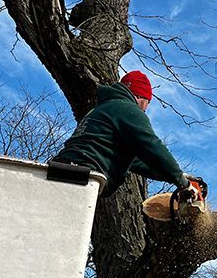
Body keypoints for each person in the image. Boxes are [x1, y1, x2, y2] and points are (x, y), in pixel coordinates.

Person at [50, 70, 198, 199]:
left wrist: (175, 176)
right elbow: (152, 146)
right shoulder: (128, 109)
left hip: (61, 170)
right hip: (84, 175)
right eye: (148, 102)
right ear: (142, 97)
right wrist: (183, 184)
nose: (146, 109)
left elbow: (139, 162)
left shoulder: (102, 109)